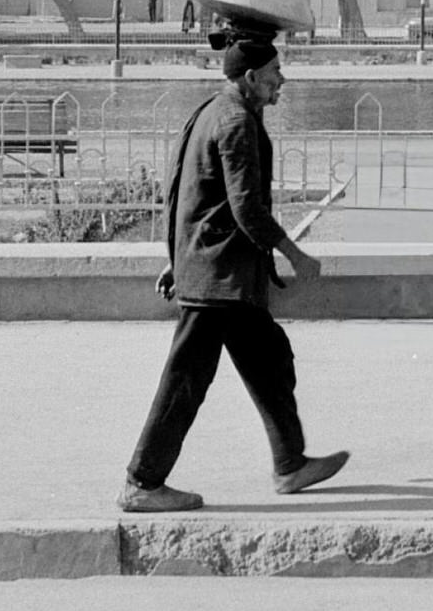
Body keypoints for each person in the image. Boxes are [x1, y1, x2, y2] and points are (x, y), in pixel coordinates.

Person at [118, 29, 348, 513]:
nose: (281, 82)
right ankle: (142, 481)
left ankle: (290, 464)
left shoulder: (211, 111)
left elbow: (187, 190)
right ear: (249, 78)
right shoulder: (237, 121)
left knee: (270, 362)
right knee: (186, 381)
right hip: (218, 279)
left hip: (217, 272)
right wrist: (294, 253)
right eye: (274, 75)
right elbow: (245, 208)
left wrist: (178, 258)